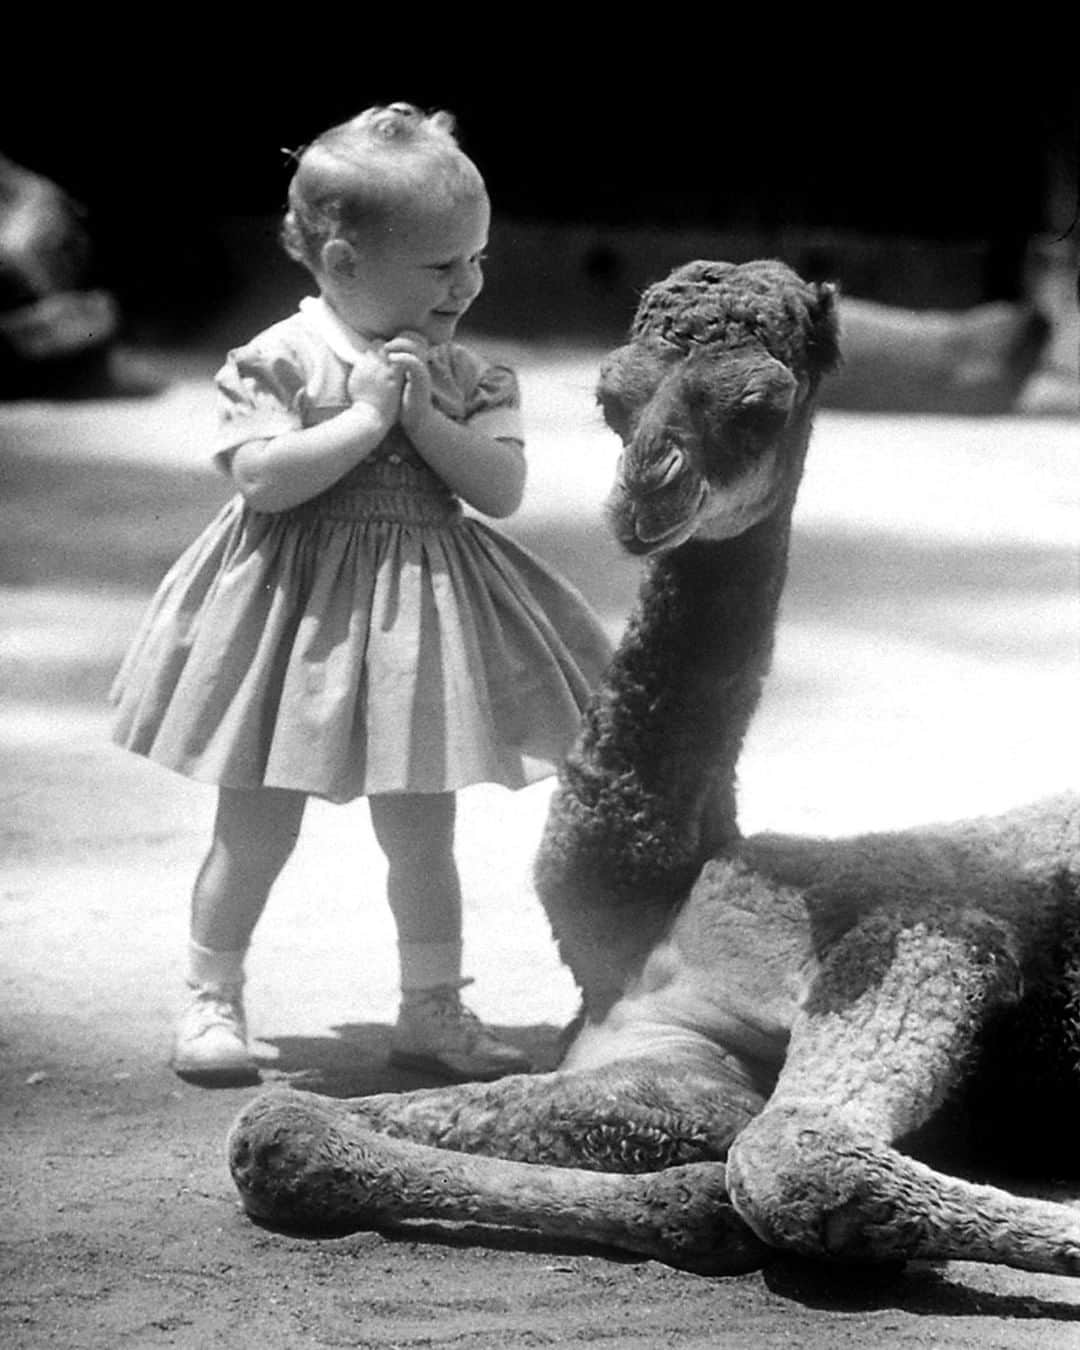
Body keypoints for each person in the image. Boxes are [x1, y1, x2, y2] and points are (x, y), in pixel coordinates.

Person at [110, 103, 613, 1085]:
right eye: (441, 268)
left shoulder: (470, 376)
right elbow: (261, 479)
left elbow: (500, 490)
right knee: (254, 824)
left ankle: (431, 1006)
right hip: (286, 622)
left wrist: (424, 421)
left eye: (476, 260)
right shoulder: (283, 359)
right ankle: (213, 996)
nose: (467, 285)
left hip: (416, 625)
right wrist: (365, 417)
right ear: (341, 265)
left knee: (422, 830)